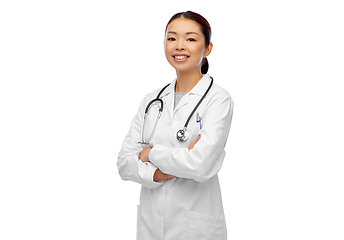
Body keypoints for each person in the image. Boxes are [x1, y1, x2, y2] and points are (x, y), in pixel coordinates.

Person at [117, 11, 234, 240]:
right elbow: (124, 163)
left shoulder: (218, 100)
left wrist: (151, 153)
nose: (179, 46)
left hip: (195, 227)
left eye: (190, 39)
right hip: (151, 226)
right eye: (172, 38)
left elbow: (200, 165)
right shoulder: (152, 101)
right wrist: (162, 173)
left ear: (207, 48)